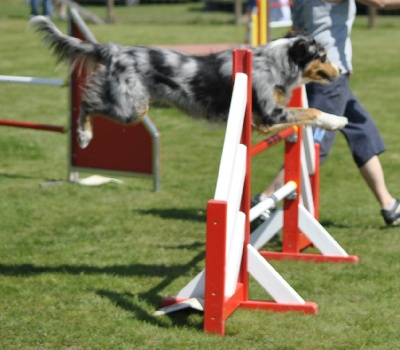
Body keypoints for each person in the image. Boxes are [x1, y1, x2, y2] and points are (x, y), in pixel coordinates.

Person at [252, 0, 400, 226]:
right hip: (328, 75)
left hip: (316, 70)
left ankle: (388, 205)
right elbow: (380, 2)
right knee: (315, 147)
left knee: (362, 130)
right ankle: (263, 201)